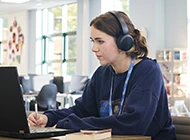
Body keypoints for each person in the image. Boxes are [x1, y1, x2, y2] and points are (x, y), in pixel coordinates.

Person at [28, 11, 176, 139]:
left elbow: (134, 124)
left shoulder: (148, 71)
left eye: (100, 41)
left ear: (123, 42)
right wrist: (48, 118)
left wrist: (70, 123)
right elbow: (82, 111)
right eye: (93, 41)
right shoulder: (102, 73)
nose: (94, 48)